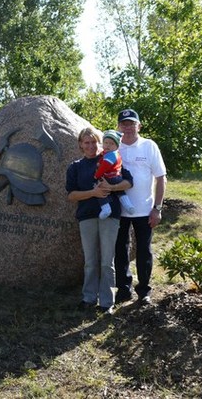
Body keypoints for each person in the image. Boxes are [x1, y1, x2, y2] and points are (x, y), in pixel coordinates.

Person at [66, 127, 133, 314]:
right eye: (86, 142)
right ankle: (88, 298)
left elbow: (129, 181)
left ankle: (106, 302)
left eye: (93, 142)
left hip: (110, 217)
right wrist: (94, 193)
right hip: (86, 216)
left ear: (99, 142)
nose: (90, 146)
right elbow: (71, 195)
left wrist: (111, 188)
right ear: (80, 144)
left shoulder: (110, 157)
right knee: (90, 261)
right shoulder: (75, 167)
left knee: (106, 261)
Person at [114, 108, 166, 306]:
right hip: (119, 210)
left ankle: (144, 290)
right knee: (120, 250)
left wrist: (157, 208)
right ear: (119, 126)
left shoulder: (149, 146)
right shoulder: (113, 146)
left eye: (131, 123)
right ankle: (123, 289)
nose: (127, 127)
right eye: (124, 124)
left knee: (144, 250)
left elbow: (161, 178)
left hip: (145, 210)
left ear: (139, 125)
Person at [94, 130, 135, 219]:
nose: (108, 145)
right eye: (106, 143)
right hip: (117, 177)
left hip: (110, 177)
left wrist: (97, 175)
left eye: (111, 143)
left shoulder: (111, 155)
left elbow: (104, 167)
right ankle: (128, 205)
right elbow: (102, 158)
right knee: (120, 192)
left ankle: (106, 208)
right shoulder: (108, 153)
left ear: (117, 146)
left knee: (99, 189)